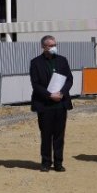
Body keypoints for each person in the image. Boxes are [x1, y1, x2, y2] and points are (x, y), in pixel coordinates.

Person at [29, 35, 74, 172]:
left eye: (55, 44)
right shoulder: (35, 62)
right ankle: (46, 162)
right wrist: (49, 95)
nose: (53, 47)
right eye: (50, 45)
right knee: (46, 134)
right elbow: (35, 84)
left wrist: (61, 93)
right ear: (43, 46)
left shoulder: (62, 60)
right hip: (45, 104)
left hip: (60, 103)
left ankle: (58, 163)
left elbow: (69, 79)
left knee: (59, 135)